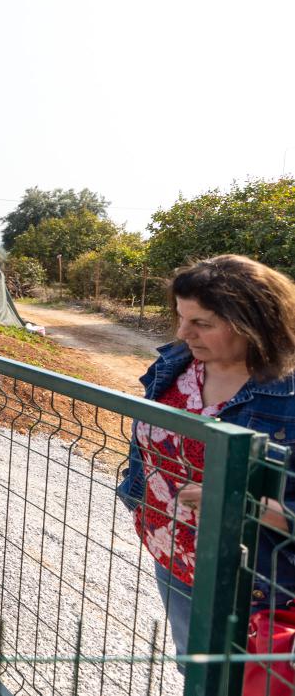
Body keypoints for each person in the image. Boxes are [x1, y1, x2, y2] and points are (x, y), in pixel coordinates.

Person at [117, 255, 295, 683]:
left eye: (204, 323)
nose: (183, 333)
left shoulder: (287, 396)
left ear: (256, 322)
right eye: (181, 317)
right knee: (195, 668)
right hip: (171, 549)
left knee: (245, 683)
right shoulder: (175, 363)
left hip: (253, 580)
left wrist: (237, 501)